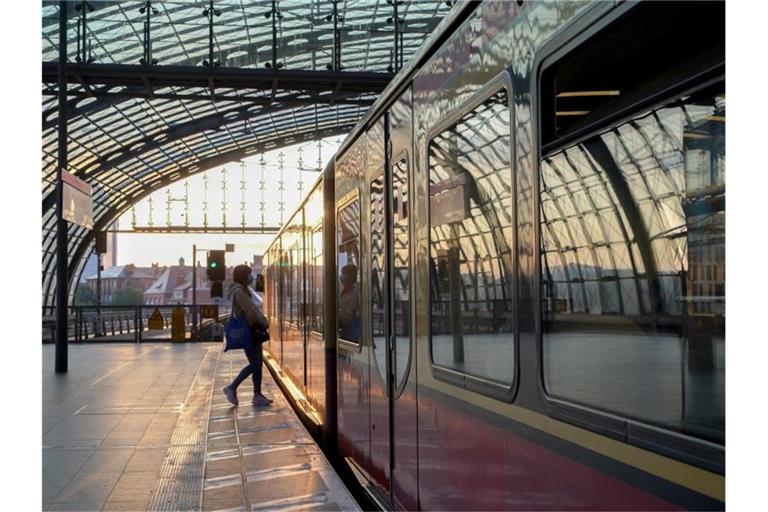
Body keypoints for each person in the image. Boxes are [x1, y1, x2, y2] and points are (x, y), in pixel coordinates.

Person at [223, 264, 272, 406]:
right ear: (243, 276)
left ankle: (257, 395)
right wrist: (262, 321)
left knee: (258, 364)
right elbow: (250, 310)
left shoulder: (243, 290)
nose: (251, 277)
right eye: (249, 274)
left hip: (252, 330)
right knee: (255, 364)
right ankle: (232, 387)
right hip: (250, 331)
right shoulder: (239, 291)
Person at [338, 264, 361, 342]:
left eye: (344, 273)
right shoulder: (344, 290)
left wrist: (340, 322)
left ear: (349, 276)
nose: (341, 276)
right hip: (346, 332)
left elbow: (348, 312)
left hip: (353, 333)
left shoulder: (355, 291)